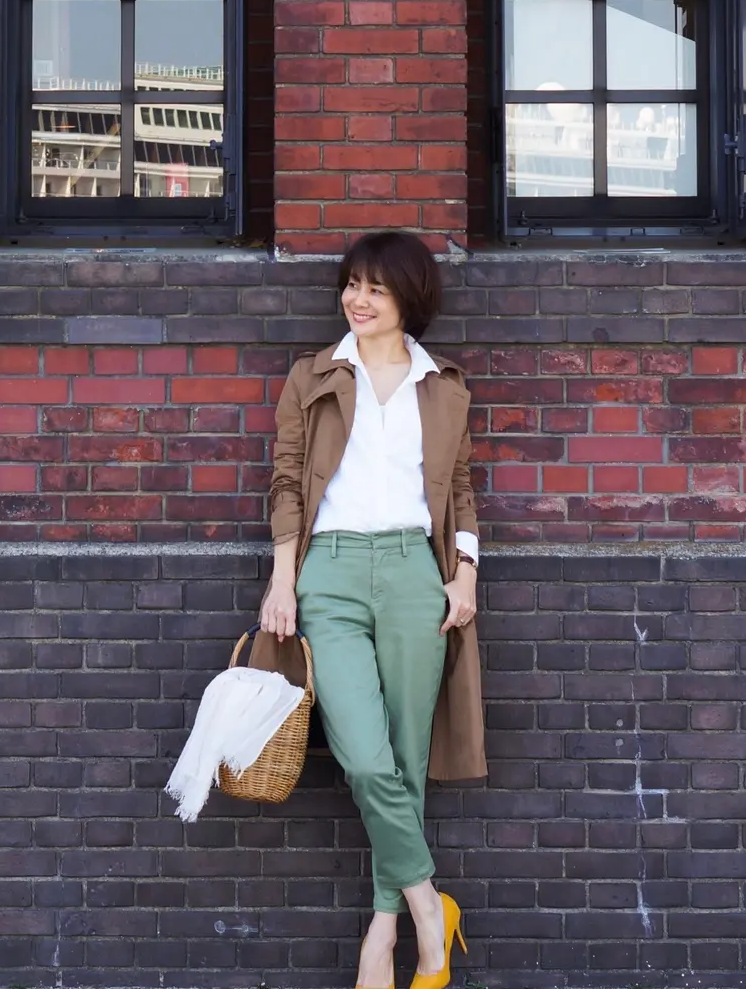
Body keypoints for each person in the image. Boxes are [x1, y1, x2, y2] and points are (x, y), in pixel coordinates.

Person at [259, 229, 486, 989]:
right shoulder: (314, 375)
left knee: (406, 757)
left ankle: (383, 933)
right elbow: (287, 480)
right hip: (328, 573)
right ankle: (428, 907)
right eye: (352, 284)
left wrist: (465, 574)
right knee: (363, 756)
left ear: (408, 300)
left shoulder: (443, 385)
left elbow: (459, 489)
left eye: (376, 289)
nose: (358, 299)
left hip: (415, 573)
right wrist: (283, 579)